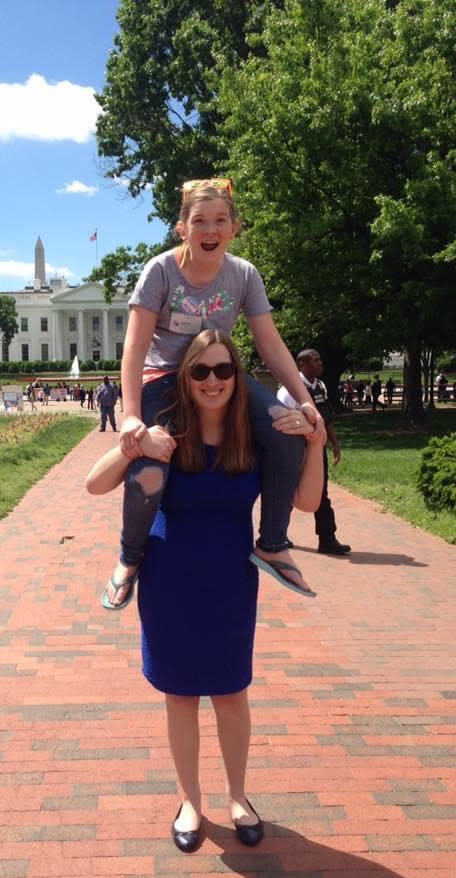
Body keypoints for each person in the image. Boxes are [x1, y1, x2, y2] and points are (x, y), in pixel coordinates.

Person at [86, 331, 324, 852]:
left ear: (237, 378)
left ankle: (238, 796)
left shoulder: (254, 437)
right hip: (170, 579)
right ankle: (190, 800)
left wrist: (316, 441)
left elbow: (307, 502)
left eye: (223, 370)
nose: (212, 381)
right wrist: (134, 441)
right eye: (201, 372)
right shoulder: (166, 433)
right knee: (180, 699)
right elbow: (95, 484)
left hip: (229, 582)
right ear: (185, 377)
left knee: (232, 694)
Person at [102, 177, 324, 609]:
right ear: (181, 228)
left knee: (283, 429)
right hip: (164, 378)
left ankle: (273, 542)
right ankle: (130, 556)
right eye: (199, 220)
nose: (210, 230)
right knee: (152, 457)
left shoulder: (243, 274)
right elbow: (134, 349)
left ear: (235, 228)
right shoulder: (160, 271)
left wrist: (303, 400)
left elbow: (270, 343)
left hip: (218, 371)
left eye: (220, 220)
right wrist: (131, 417)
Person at [278, 349, 351, 556]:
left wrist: (334, 444)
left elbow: (325, 418)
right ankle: (276, 533)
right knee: (287, 493)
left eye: (320, 359)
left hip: (316, 449)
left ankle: (327, 539)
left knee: (321, 493)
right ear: (302, 364)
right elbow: (280, 423)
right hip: (293, 450)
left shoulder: (320, 386)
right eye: (315, 360)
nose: (321, 363)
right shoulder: (289, 391)